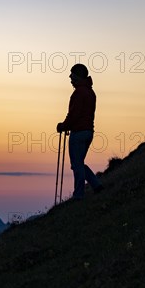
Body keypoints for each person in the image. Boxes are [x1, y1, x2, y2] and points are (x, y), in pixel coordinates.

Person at [57, 64, 104, 199]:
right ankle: (96, 185)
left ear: (77, 76)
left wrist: (63, 126)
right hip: (89, 132)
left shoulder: (78, 93)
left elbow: (74, 115)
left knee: (76, 165)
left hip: (78, 133)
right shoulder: (90, 92)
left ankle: (78, 195)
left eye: (72, 75)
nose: (70, 78)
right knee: (79, 163)